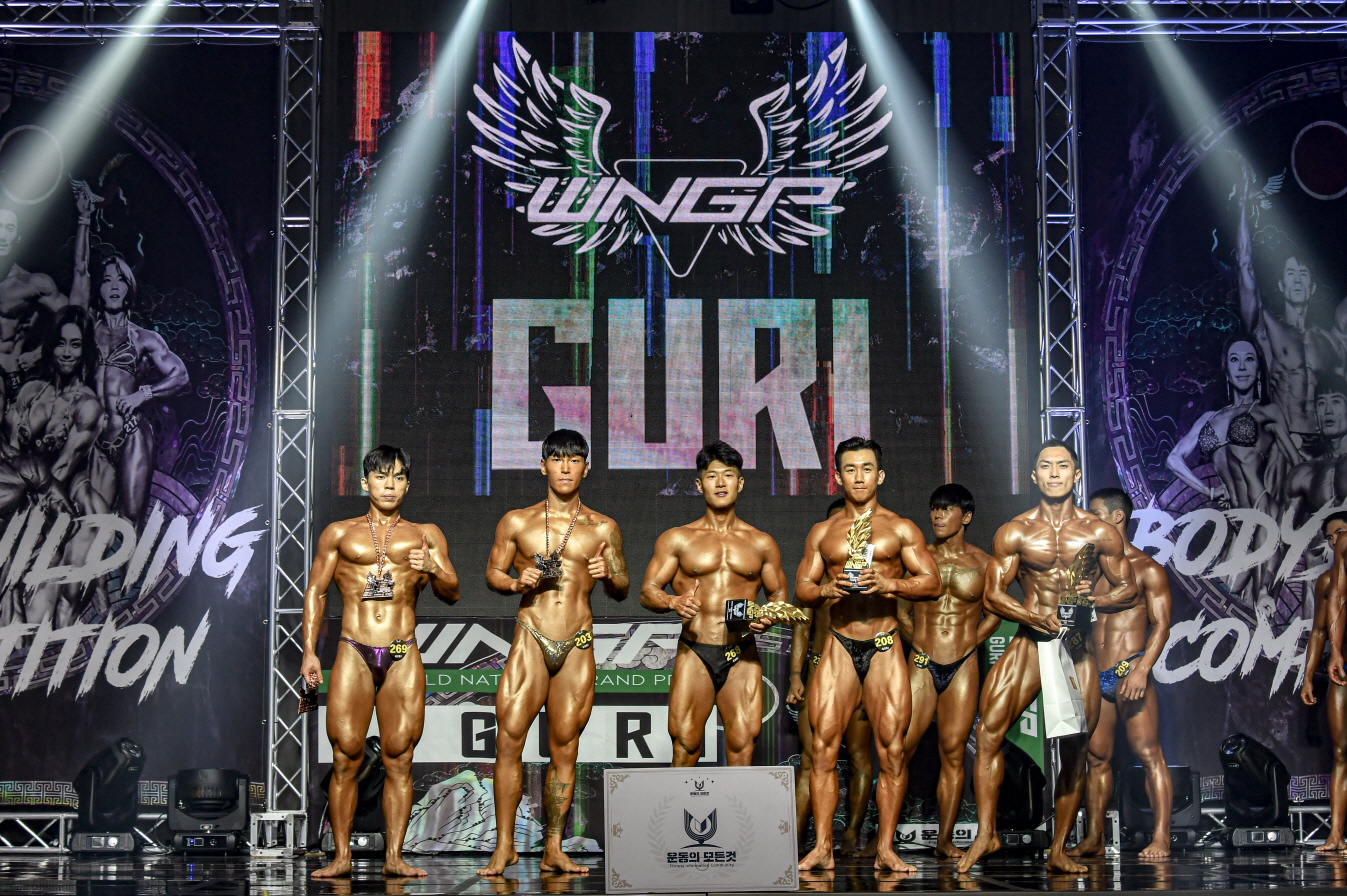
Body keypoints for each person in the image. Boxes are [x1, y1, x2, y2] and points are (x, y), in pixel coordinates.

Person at [957, 439, 1136, 875]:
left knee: (1076, 746)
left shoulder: (1100, 532)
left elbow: (1128, 588)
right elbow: (992, 595)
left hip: (1076, 648)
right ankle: (986, 833)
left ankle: (1059, 848)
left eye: (1063, 466)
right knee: (988, 732)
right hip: (1030, 639)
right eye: (1046, 466)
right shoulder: (1015, 531)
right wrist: (1032, 615)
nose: (1055, 473)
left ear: (1076, 475)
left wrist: (1092, 604)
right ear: (1034, 475)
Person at [299, 445, 460, 879]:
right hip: (354, 648)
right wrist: (309, 651)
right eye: (381, 476)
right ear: (364, 482)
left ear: (407, 484)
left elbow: (452, 591)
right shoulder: (339, 533)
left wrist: (434, 567)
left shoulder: (426, 534)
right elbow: (316, 592)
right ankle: (341, 857)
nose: (389, 485)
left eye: (398, 477)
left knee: (399, 758)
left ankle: (394, 857)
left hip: (402, 651)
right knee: (346, 756)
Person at [479, 429, 629, 876]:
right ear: (543, 466)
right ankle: (504, 846)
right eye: (558, 459)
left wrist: (608, 573)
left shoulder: (603, 527)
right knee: (509, 741)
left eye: (574, 459)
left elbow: (623, 586)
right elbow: (493, 572)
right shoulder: (517, 521)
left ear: (586, 467)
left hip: (577, 641)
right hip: (531, 634)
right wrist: (515, 583)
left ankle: (553, 848)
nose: (566, 467)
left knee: (565, 747)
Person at [795, 436, 941, 873]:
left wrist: (891, 583)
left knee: (892, 751)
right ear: (838, 477)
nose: (859, 477)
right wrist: (826, 589)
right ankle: (823, 847)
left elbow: (932, 582)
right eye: (850, 469)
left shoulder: (901, 528)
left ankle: (886, 849)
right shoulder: (822, 532)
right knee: (823, 749)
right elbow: (802, 587)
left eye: (866, 469)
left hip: (883, 644)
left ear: (880, 475)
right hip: (839, 643)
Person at [641, 440, 789, 766]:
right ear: (699, 484)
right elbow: (648, 590)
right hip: (695, 649)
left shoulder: (762, 543)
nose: (721, 483)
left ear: (740, 482)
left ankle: (738, 804)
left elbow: (778, 596)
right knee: (686, 745)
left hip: (742, 652)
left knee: (742, 746)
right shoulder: (678, 538)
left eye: (728, 475)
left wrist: (768, 617)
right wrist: (673, 601)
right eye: (712, 476)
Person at [1071, 487, 1174, 859]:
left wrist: (1142, 669)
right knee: (1096, 758)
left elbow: (1162, 625)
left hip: (1129, 669)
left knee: (1149, 754)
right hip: (1095, 674)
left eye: (1095, 515)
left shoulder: (1147, 568)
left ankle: (1161, 838)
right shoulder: (1089, 569)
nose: (1089, 521)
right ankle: (1094, 838)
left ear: (1117, 517)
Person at [897, 483, 996, 860]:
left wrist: (968, 645)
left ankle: (944, 840)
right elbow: (901, 612)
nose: (937, 515)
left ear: (965, 517)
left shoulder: (984, 563)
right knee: (899, 748)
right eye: (934, 508)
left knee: (953, 753)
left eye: (946, 509)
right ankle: (882, 838)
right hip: (922, 663)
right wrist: (920, 646)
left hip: (962, 665)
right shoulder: (919, 559)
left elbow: (994, 614)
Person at [0, 306, 108, 626]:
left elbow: (63, 468)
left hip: (64, 496)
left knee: (59, 603)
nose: (67, 352)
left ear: (85, 349)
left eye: (75, 344)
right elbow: (10, 454)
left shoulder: (88, 406)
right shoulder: (31, 392)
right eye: (61, 343)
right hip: (23, 488)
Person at [790, 499, 876, 858]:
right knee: (811, 758)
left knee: (858, 756)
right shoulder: (814, 577)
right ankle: (795, 841)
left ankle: (852, 834)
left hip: (860, 671)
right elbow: (801, 628)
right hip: (818, 669)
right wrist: (796, 675)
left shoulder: (870, 575)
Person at [0, 185, 94, 398]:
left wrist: (38, 353)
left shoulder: (33, 284)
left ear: (18, 237)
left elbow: (77, 316)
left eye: (9, 229)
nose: (2, 235)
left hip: (10, 376)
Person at [1303, 511, 1347, 853]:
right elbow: (1319, 631)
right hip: (1341, 670)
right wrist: (1307, 676)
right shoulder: (1328, 582)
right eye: (1330, 537)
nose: (1335, 541)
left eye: (1340, 533)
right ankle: (1335, 835)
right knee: (1341, 752)